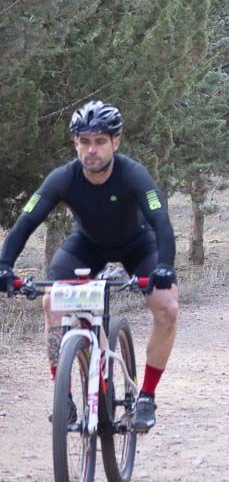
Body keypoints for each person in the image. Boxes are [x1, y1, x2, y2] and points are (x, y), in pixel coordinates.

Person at [0, 101, 179, 433]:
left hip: (139, 244)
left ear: (116, 142)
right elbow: (27, 220)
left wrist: (165, 266)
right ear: (75, 144)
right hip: (88, 245)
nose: (91, 150)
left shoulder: (133, 174)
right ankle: (63, 397)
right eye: (84, 142)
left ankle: (147, 397)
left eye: (99, 141)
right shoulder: (63, 178)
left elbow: (160, 219)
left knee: (167, 306)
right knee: (52, 302)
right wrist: (4, 266)